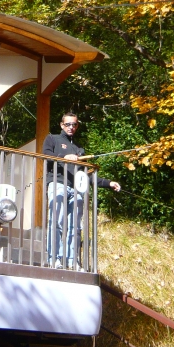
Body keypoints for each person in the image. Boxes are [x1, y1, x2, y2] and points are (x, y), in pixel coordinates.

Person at [43, 112, 121, 269]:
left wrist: (108, 183)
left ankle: (72, 260)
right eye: (68, 124)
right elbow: (46, 155)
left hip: (76, 189)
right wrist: (64, 157)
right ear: (61, 125)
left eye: (74, 124)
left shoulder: (79, 149)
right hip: (58, 184)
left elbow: (86, 176)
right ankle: (54, 258)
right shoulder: (52, 138)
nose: (71, 127)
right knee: (56, 221)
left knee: (75, 227)